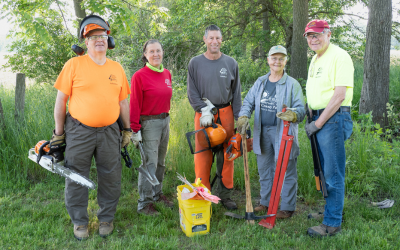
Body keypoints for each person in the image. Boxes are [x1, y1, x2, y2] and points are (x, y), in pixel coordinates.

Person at [52, 15, 131, 240]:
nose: (99, 40)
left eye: (103, 36)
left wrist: (127, 129)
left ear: (109, 41)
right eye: (93, 36)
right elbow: (61, 100)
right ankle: (79, 222)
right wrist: (59, 133)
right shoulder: (74, 64)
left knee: (111, 176)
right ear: (84, 42)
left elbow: (123, 102)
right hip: (79, 130)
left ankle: (106, 218)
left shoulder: (117, 68)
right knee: (76, 175)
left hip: (109, 131)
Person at [237, 45, 305, 218]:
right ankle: (265, 203)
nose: (277, 61)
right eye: (274, 58)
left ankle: (287, 207)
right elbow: (248, 102)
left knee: (286, 168)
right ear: (268, 60)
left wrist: (294, 114)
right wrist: (244, 116)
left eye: (281, 58)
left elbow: (301, 109)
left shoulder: (292, 84)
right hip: (262, 132)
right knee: (265, 168)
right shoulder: (260, 82)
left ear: (285, 61)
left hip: (283, 133)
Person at [303, 19, 354, 237]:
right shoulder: (315, 58)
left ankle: (332, 223)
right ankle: (331, 211)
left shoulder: (339, 56)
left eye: (317, 35)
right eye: (309, 36)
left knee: (333, 174)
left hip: (332, 120)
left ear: (328, 34)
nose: (313, 39)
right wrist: (311, 118)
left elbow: (339, 95)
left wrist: (318, 123)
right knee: (323, 171)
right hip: (319, 119)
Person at [187, 25, 242, 210]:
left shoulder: (231, 63)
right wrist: (203, 109)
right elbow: (192, 92)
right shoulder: (195, 63)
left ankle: (225, 195)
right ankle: (203, 194)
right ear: (204, 39)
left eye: (217, 38)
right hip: (204, 115)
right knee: (202, 156)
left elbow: (236, 93)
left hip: (226, 112)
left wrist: (239, 118)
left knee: (228, 155)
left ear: (221, 39)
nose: (214, 42)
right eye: (211, 38)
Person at [130, 39, 173, 216]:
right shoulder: (139, 76)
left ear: (162, 52)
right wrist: (134, 129)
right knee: (150, 163)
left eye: (158, 51)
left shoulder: (167, 74)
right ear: (145, 55)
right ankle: (144, 203)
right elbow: (134, 104)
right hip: (148, 123)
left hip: (165, 121)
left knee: (161, 162)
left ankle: (157, 194)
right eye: (151, 51)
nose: (156, 54)